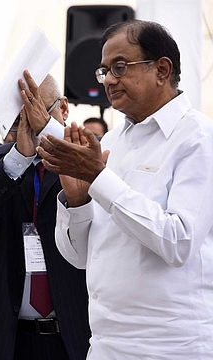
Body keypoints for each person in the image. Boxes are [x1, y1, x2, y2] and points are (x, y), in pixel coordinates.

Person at [37, 20, 213, 359]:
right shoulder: (112, 141)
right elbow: (81, 258)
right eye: (104, 71)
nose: (110, 80)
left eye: (120, 67)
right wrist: (77, 201)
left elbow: (178, 242)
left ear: (162, 69)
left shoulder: (199, 139)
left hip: (172, 346)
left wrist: (100, 180)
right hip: (105, 343)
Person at [0, 72, 90, 360]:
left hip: (76, 331)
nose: (31, 124)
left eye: (40, 112)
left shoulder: (88, 157)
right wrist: (19, 156)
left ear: (64, 108)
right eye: (20, 118)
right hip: (13, 335)